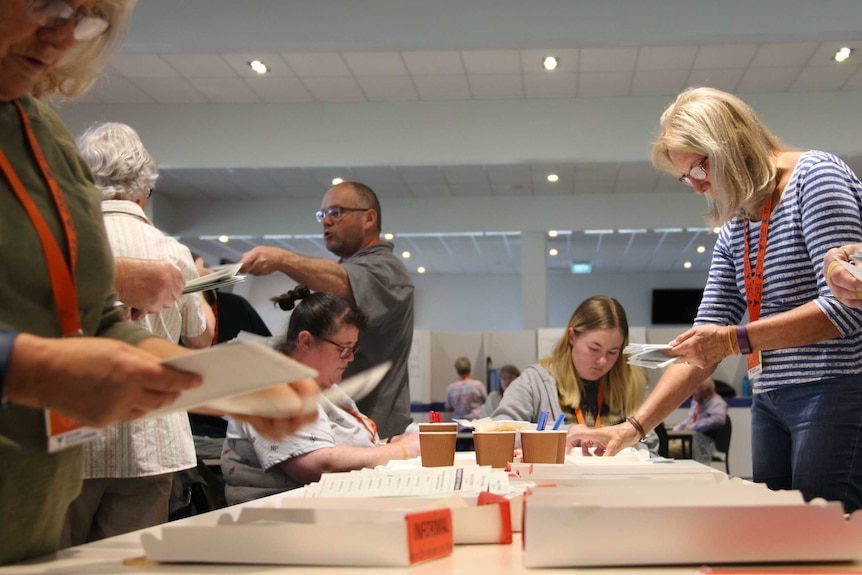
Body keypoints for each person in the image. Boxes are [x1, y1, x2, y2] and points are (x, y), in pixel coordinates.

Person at [0, 1, 317, 563]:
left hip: (34, 509)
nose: (63, 36)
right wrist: (31, 367)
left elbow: (95, 315)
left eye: (85, 21)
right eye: (48, 7)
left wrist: (214, 381)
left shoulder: (40, 135)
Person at [569, 87, 862, 514]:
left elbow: (845, 310)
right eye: (686, 177)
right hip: (771, 396)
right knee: (781, 536)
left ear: (732, 142)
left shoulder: (814, 177)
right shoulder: (736, 226)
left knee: (829, 538)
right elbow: (702, 346)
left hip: (833, 387)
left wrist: (733, 340)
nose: (697, 187)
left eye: (699, 168)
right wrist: (631, 428)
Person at [61, 122, 215, 546]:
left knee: (55, 564)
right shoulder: (171, 252)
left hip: (72, 439)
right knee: (131, 563)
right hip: (151, 442)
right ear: (145, 185)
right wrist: (200, 285)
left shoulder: (61, 247)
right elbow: (201, 337)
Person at [241, 181, 415, 439]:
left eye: (336, 212)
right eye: (322, 215)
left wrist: (282, 259)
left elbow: (345, 281)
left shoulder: (387, 271)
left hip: (372, 427)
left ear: (369, 218)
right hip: (335, 423)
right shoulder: (354, 268)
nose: (326, 221)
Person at [221, 292, 420, 504]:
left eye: (353, 349)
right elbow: (315, 465)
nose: (350, 358)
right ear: (306, 342)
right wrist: (400, 450)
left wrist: (385, 444)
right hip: (279, 520)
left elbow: (330, 446)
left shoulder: (318, 386)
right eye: (344, 349)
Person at [491, 296, 655, 451]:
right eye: (594, 349)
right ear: (571, 337)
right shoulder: (535, 382)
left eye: (613, 352)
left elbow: (653, 450)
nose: (603, 361)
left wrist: (631, 446)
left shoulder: (632, 384)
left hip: (617, 479)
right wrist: (565, 433)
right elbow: (495, 436)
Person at [670, 377, 728, 463]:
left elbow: (718, 420)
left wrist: (693, 427)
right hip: (691, 439)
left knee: (669, 449)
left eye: (697, 389)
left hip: (704, 443)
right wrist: (678, 428)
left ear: (707, 390)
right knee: (667, 443)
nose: (693, 393)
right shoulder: (697, 401)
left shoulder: (718, 403)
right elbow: (690, 420)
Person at [444, 356, 487, 422]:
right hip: (476, 422)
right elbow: (487, 402)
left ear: (457, 370)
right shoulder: (478, 385)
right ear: (470, 369)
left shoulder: (451, 388)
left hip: (459, 424)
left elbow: (448, 407)